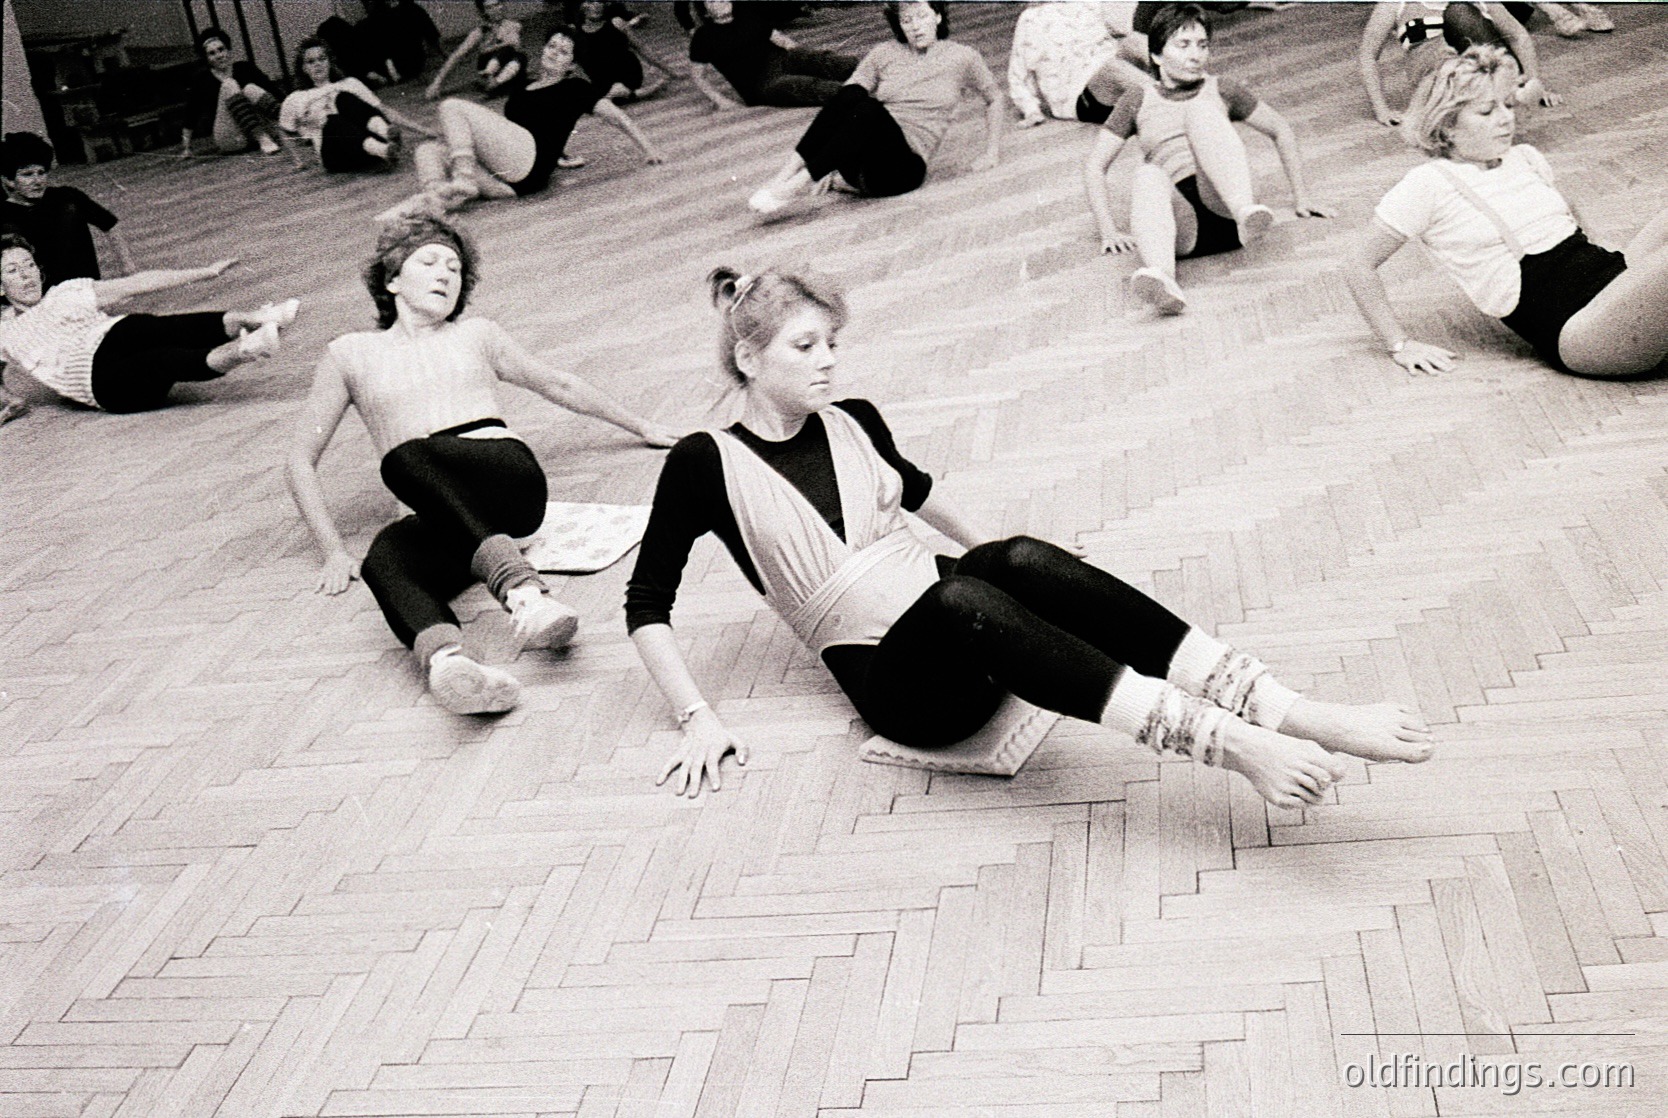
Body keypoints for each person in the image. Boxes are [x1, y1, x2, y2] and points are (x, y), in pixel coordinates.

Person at [628, 266, 1434, 798]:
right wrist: (697, 716)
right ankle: (1232, 745)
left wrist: (1021, 569)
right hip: (910, 688)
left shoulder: (855, 419)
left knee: (1005, 558)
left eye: (833, 343)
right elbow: (646, 604)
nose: (829, 362)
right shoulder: (705, 463)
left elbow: (921, 493)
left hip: (976, 625)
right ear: (747, 356)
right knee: (962, 598)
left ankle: (1291, 710)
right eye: (806, 346)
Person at [288, 217, 679, 715]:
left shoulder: (476, 334)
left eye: (455, 267)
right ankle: (450, 665)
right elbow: (300, 458)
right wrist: (331, 551)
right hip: (449, 513)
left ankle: (524, 594)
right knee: (384, 558)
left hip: (506, 480)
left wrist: (642, 425)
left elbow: (556, 384)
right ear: (391, 281)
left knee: (403, 457)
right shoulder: (349, 354)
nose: (445, 274)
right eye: (429, 262)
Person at [1344, 47, 1668, 379]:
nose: (1506, 118)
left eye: (1507, 104)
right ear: (1447, 127)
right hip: (1584, 331)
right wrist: (1400, 344)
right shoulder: (1427, 184)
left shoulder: (1525, 157)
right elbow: (1357, 264)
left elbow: (1570, 214)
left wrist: (1615, 262)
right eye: (1487, 111)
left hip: (1617, 286)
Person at [1083, 3, 1329, 315]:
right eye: (1183, 45)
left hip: (1227, 212)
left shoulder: (1221, 88)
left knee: (1200, 112)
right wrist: (1108, 230)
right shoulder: (1138, 99)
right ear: (1156, 56)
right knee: (1147, 174)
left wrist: (1302, 197)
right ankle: (1164, 279)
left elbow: (1280, 128)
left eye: (1203, 45)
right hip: (1180, 231)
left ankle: (1244, 212)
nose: (1196, 55)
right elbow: (1095, 165)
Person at [747, 1, 1004, 215]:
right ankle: (785, 175)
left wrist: (991, 153)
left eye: (921, 17)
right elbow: (845, 101)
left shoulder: (963, 57)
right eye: (906, 21)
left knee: (869, 109)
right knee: (849, 96)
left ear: (937, 16)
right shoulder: (883, 53)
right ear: (899, 25)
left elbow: (994, 98)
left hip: (901, 171)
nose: (915, 27)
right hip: (859, 160)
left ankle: (800, 183)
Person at [381, 28, 666, 220]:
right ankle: (435, 204)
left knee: (452, 106)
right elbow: (517, 133)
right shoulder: (524, 86)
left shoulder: (577, 86)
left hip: (529, 167)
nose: (554, 52)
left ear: (571, 64)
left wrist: (648, 148)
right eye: (552, 46)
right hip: (509, 184)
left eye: (564, 51)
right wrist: (561, 154)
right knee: (428, 151)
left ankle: (463, 179)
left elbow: (617, 116)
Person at [0, 234, 297, 414]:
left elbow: (137, 284)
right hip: (99, 382)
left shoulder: (63, 294)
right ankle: (246, 349)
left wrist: (205, 272)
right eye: (13, 270)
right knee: (162, 360)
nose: (26, 275)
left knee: (151, 328)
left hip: (114, 337)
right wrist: (7, 399)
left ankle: (257, 318)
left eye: (29, 265)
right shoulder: (4, 331)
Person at [1359, 2, 1559, 128]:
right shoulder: (1395, 3)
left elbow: (1518, 36)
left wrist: (1535, 81)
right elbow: (1368, 55)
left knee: (1459, 13)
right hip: (1438, 77)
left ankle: (1509, 90)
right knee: (1445, 52)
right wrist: (1381, 110)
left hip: (1480, 66)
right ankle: (1502, 98)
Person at [281, 38, 437, 173]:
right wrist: (298, 161)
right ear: (304, 68)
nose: (318, 64)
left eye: (322, 59)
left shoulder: (350, 84)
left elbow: (384, 110)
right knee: (333, 120)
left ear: (330, 61)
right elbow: (284, 130)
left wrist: (423, 130)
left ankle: (384, 135)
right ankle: (383, 151)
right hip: (339, 155)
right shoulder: (296, 98)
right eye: (311, 61)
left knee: (344, 98)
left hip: (371, 140)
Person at [2, 132, 135, 287]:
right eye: (27, 175)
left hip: (84, 285)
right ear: (9, 180)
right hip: (41, 295)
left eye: (41, 173)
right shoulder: (5, 214)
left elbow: (110, 224)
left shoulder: (66, 196)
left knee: (68, 208)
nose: (37, 181)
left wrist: (127, 265)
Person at [687, 0, 856, 110]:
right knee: (804, 85)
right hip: (761, 84)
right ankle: (858, 93)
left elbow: (782, 41)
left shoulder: (748, 17)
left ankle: (868, 71)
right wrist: (721, 101)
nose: (722, 0)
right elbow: (698, 77)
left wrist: (804, 57)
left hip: (781, 60)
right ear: (705, 10)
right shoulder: (703, 37)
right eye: (712, 0)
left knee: (821, 59)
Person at [1008, 0, 1151, 127]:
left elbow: (1124, 28)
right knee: (1114, 68)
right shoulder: (1030, 19)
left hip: (1115, 76)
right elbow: (1018, 75)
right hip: (1081, 99)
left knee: (1136, 40)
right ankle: (1161, 100)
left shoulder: (1087, 4)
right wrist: (1031, 111)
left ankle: (1165, 90)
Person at [181, 28, 287, 156]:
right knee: (229, 84)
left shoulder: (244, 68)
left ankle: (294, 125)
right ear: (207, 58)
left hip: (259, 125)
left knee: (250, 88)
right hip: (232, 137)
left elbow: (274, 91)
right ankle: (262, 139)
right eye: (212, 53)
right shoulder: (202, 80)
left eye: (221, 49)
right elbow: (191, 113)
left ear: (228, 50)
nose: (219, 56)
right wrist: (186, 147)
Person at [567, 0, 679, 101]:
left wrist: (669, 70)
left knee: (611, 94)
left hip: (627, 73)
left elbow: (641, 48)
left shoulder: (617, 22)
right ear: (580, 6)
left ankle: (632, 93)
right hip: (601, 79)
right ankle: (639, 93)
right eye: (590, 1)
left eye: (600, 1)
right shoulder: (575, 33)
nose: (596, 5)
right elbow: (576, 65)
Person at [426, 0, 528, 99]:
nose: (495, 9)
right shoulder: (480, 31)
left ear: (502, 5)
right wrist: (437, 82)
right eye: (489, 7)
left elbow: (515, 46)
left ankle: (497, 83)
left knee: (516, 54)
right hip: (488, 66)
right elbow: (458, 55)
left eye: (497, 5)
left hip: (510, 67)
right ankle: (490, 75)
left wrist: (499, 45)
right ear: (484, 12)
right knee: (505, 49)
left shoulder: (514, 25)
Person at [361, 0, 444, 84]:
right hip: (399, 67)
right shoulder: (368, 25)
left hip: (406, 65)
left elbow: (432, 37)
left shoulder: (409, 10)